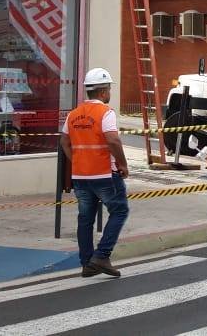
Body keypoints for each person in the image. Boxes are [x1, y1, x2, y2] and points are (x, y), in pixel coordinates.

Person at [60, 67, 129, 278]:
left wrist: (76, 160)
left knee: (85, 219)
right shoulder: (105, 113)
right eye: (109, 89)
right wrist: (122, 164)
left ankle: (87, 263)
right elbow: (113, 140)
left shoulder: (73, 114)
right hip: (104, 174)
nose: (110, 93)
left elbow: (64, 141)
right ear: (103, 91)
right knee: (119, 211)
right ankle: (101, 255)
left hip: (81, 176)